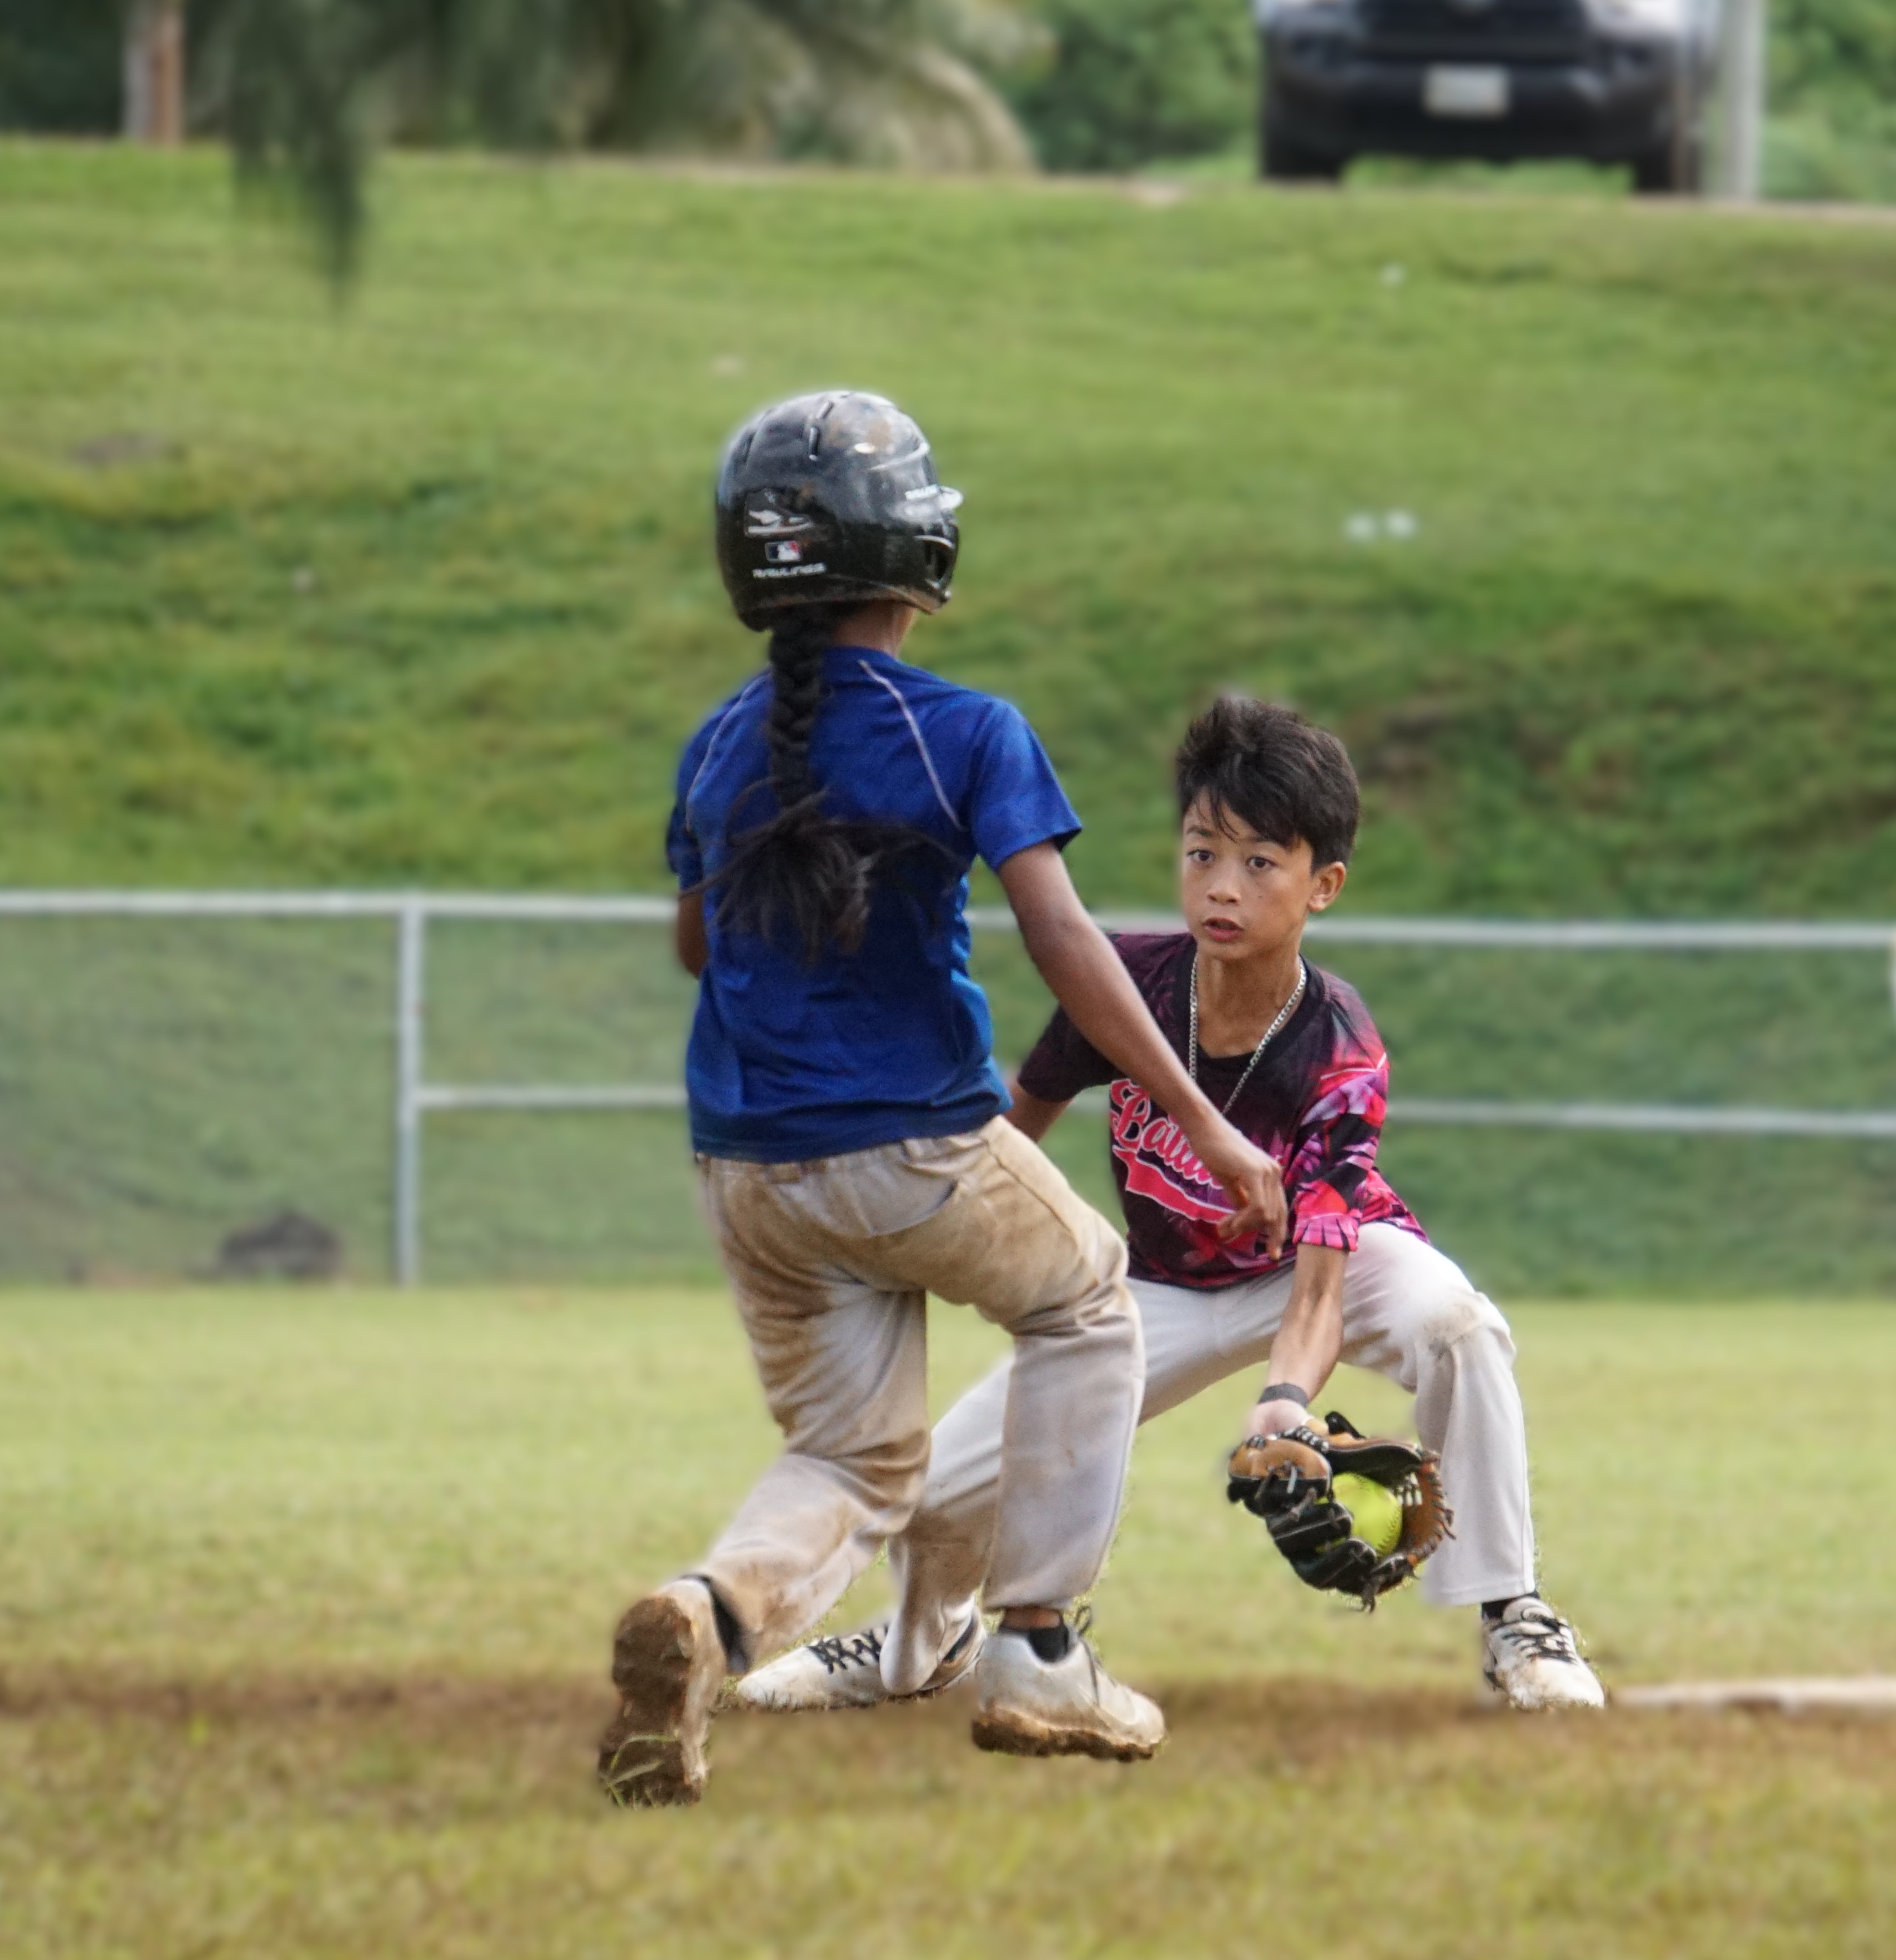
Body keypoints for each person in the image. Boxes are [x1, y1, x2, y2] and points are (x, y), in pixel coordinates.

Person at [598, 392, 1289, 1807]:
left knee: (850, 1455)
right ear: (908, 546)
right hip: (908, 1144)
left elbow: (693, 943)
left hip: (748, 1172)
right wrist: (1208, 1123)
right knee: (1092, 1298)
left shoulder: (721, 742)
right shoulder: (961, 729)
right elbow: (1063, 941)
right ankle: (1037, 1651)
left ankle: (704, 1612)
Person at [735, 696, 1603, 1717]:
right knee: (945, 1489)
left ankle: (1516, 1616)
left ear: (1324, 884)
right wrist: (938, 1246)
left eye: (1259, 862)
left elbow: (1321, 1283)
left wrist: (1285, 1401)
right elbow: (1013, 1134)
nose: (1220, 888)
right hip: (1161, 1287)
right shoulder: (1128, 984)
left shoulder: (1339, 1048)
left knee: (1456, 1322)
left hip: (1325, 1264)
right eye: (1202, 854)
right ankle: (919, 1644)